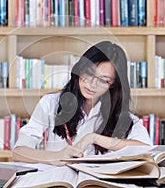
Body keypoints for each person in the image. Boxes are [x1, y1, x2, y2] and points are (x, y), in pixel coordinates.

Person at [12, 41, 151, 166]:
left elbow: (147, 150)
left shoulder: (122, 117)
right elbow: (19, 153)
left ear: (113, 85)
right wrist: (57, 157)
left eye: (103, 80)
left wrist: (94, 138)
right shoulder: (51, 103)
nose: (92, 84)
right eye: (89, 73)